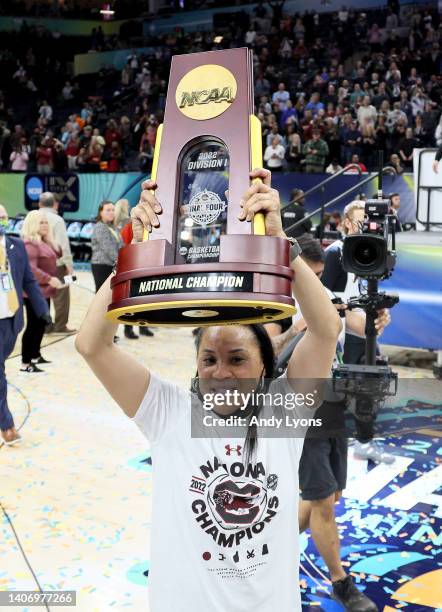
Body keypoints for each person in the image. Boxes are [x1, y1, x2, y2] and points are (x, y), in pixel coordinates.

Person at [76, 168, 342, 611]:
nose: (221, 372)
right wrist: (132, 255)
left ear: (265, 368)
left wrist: (282, 244)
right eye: (210, 359)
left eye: (237, 359)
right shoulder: (169, 410)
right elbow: (90, 344)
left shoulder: (283, 411)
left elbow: (326, 327)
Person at [271, 234, 389, 612]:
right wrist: (301, 326)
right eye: (311, 273)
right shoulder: (274, 297)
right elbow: (267, 351)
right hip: (299, 409)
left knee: (325, 495)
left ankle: (266, 547)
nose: (317, 280)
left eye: (320, 275)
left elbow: (355, 322)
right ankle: (341, 582)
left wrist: (375, 320)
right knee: (322, 501)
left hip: (333, 404)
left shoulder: (319, 291)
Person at [321, 201, 395, 464]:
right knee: (357, 383)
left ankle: (364, 440)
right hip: (339, 333)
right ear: (347, 223)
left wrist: (378, 315)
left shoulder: (367, 251)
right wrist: (355, 319)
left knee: (372, 377)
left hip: (355, 329)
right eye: (361, 220)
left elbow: (361, 296)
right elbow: (325, 297)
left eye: (370, 220)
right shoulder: (337, 252)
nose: (367, 225)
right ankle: (357, 440)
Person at [0, 204, 50, 445]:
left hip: (11, 320)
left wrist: (41, 310)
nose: (3, 220)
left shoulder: (16, 246)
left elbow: (29, 281)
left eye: (4, 216)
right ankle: (7, 426)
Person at [21, 210, 63, 372]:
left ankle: (35, 355)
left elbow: (58, 253)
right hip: (33, 292)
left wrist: (50, 239)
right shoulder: (30, 244)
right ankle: (25, 363)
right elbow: (31, 269)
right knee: (33, 325)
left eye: (46, 222)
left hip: (44, 291)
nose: (45, 225)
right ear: (33, 224)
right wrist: (49, 279)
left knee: (40, 325)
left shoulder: (43, 242)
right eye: (41, 222)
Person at [113, 199, 153, 339]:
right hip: (134, 265)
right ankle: (130, 328)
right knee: (131, 298)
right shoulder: (128, 226)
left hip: (142, 264)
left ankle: (141, 327)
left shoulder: (123, 223)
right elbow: (124, 245)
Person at [38, 192, 76, 334]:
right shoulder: (57, 220)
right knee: (61, 296)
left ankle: (45, 326)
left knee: (42, 295)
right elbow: (62, 245)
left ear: (40, 204)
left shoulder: (32, 217)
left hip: (37, 264)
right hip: (56, 263)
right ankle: (60, 326)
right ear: (56, 204)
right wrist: (69, 265)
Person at [91, 201, 122, 292]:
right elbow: (109, 249)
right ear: (100, 212)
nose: (111, 212)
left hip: (111, 265)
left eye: (113, 210)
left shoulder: (112, 227)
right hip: (102, 266)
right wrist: (121, 262)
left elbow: (121, 244)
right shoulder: (100, 227)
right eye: (108, 210)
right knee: (102, 295)